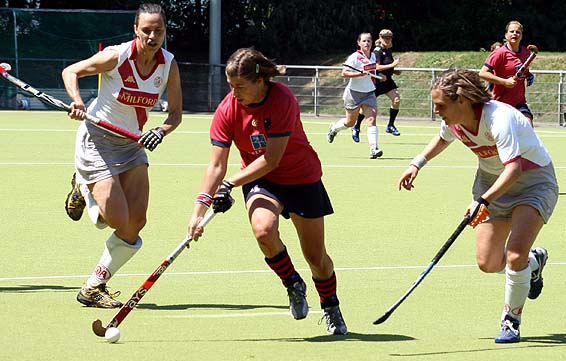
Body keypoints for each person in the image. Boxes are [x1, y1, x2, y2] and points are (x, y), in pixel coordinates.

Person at [187, 47, 347, 335]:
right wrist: (198, 211)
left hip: (301, 177)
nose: (234, 93)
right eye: (231, 85)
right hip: (262, 181)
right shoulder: (228, 109)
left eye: (240, 86)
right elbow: (216, 165)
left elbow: (271, 159)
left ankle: (330, 305)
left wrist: (230, 184)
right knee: (263, 231)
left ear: (260, 81)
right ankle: (292, 283)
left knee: (316, 258)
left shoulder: (283, 99)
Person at [398, 69, 558, 343]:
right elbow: (443, 137)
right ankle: (533, 263)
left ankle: (511, 320)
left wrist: (482, 201)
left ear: (461, 100)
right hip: (490, 182)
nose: (436, 111)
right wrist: (417, 163)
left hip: (533, 182)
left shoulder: (499, 118)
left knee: (515, 254)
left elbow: (514, 170)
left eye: (440, 105)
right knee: (488, 262)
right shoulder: (454, 120)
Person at [63, 3, 183, 308]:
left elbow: (176, 114)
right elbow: (71, 71)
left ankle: (93, 286)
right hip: (98, 140)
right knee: (114, 218)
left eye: (158, 31)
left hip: (132, 145)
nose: (152, 36)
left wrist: (161, 131)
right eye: (147, 30)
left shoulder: (168, 64)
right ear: (135, 30)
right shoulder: (117, 56)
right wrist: (77, 101)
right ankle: (83, 185)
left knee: (135, 222)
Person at [327, 32, 385, 159]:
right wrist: (359, 74)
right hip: (354, 94)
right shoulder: (354, 57)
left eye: (369, 41)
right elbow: (344, 73)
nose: (366, 43)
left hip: (369, 93)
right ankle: (334, 129)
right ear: (359, 43)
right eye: (364, 41)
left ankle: (373, 149)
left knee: (371, 120)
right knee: (350, 122)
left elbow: (372, 71)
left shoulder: (373, 56)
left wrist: (379, 75)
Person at [479, 21, 537, 125]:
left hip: (519, 103)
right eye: (512, 31)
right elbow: (483, 73)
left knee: (528, 125)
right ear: (506, 35)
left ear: (521, 36)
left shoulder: (526, 53)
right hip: (500, 104)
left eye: (518, 32)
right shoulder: (499, 53)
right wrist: (504, 82)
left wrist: (529, 75)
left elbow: (523, 69)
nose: (515, 34)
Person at [352, 29, 402, 141]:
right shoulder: (377, 51)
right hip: (377, 82)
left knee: (396, 99)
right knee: (365, 108)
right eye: (385, 38)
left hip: (387, 82)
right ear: (380, 38)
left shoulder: (388, 50)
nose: (387, 40)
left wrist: (394, 71)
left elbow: (386, 65)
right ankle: (356, 126)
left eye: (389, 38)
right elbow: (376, 67)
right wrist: (392, 65)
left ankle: (390, 125)